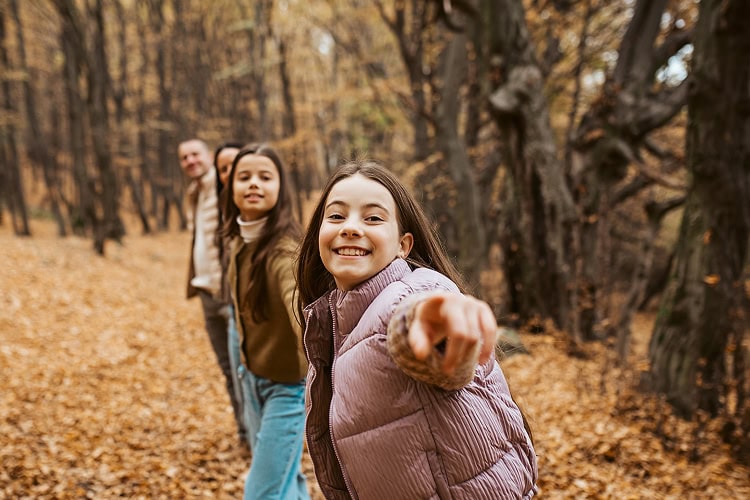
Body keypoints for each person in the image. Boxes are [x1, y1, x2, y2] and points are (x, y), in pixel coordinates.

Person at [296, 160, 538, 499]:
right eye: (336, 216)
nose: (351, 227)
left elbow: (413, 320)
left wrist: (438, 321)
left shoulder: (408, 295)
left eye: (373, 218)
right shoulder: (339, 320)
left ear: (403, 245)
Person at [221, 144, 309, 499]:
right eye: (244, 177)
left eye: (264, 177)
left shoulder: (283, 251)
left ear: (280, 188)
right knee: (290, 482)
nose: (253, 184)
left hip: (287, 390)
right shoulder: (240, 241)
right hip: (252, 380)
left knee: (262, 493)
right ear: (231, 189)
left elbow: (298, 307)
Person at [178, 138, 244, 443]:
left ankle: (256, 432)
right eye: (184, 157)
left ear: (207, 157)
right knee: (227, 369)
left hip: (230, 293)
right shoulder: (193, 194)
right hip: (206, 291)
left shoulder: (226, 188)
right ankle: (243, 431)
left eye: (195, 154)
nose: (190, 161)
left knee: (242, 367)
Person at [213, 142, 248, 447]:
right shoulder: (220, 208)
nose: (229, 172)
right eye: (222, 169)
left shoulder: (254, 207)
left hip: (251, 311)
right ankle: (246, 431)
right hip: (229, 304)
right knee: (235, 374)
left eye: (234, 164)